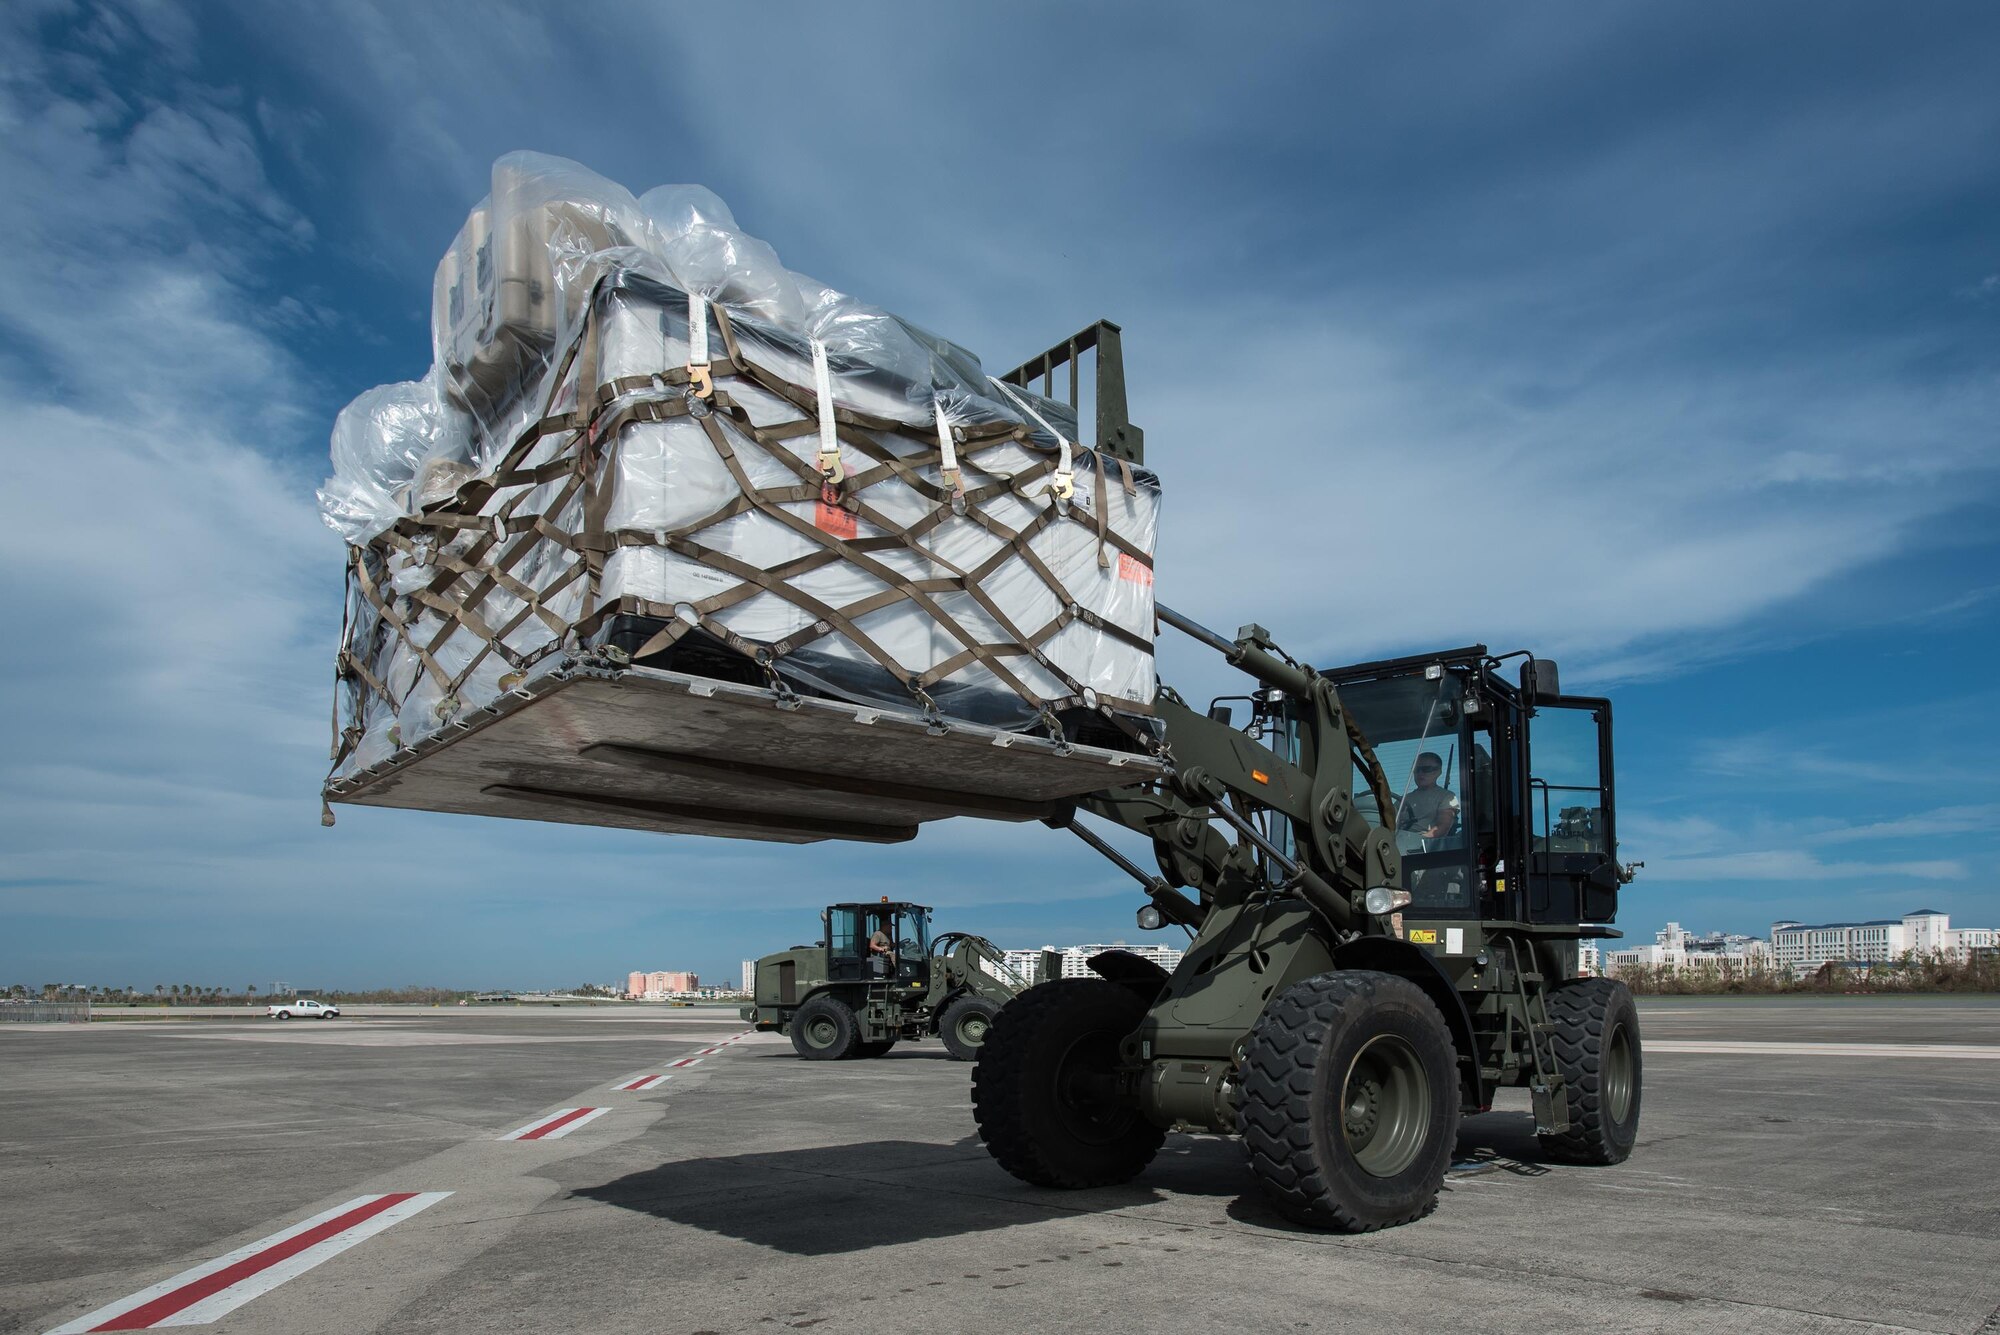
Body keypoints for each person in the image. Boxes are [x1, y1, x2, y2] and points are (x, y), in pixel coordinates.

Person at [1396, 751, 1460, 840]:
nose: (1420, 773)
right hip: (1398, 844)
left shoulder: (1447, 797)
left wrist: (1418, 841)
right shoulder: (1403, 799)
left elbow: (1442, 827)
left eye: (1426, 769)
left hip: (1427, 848)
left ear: (1438, 772)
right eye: (1416, 770)